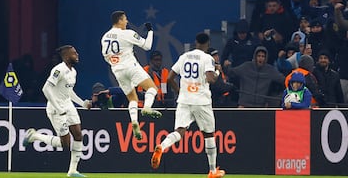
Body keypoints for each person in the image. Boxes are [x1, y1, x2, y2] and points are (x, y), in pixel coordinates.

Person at [150, 33, 225, 178]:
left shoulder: (184, 56)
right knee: (208, 134)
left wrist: (180, 92)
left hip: (184, 99)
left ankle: (162, 146)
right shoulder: (207, 58)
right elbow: (211, 79)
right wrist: (217, 71)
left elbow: (169, 78)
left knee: (179, 131)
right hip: (201, 101)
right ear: (207, 44)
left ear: (195, 43)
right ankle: (212, 171)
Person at [23, 45, 92, 177]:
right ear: (66, 56)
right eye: (74, 53)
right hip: (56, 108)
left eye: (76, 53)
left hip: (68, 105)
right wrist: (59, 108)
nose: (77, 55)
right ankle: (34, 136)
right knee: (64, 144)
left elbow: (69, 91)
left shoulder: (73, 72)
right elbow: (46, 89)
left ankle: (72, 171)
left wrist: (82, 103)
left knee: (78, 135)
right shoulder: (59, 70)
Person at [100, 10, 162, 140]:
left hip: (117, 70)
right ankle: (146, 108)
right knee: (152, 88)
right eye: (125, 19)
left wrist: (115, 63)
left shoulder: (105, 37)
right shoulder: (127, 33)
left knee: (132, 99)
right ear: (120, 20)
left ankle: (134, 121)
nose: (127, 21)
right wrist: (150, 31)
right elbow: (147, 46)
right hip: (130, 66)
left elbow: (106, 56)